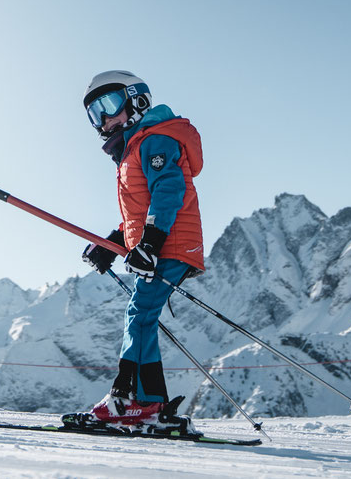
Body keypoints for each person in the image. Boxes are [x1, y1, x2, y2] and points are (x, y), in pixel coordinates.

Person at [78, 70, 205, 433]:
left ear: (137, 100)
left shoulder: (155, 140)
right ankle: (148, 404)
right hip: (161, 243)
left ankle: (128, 400)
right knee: (142, 315)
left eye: (109, 104)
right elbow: (139, 213)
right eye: (94, 113)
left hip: (170, 245)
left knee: (139, 314)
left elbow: (168, 192)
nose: (103, 119)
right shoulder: (134, 149)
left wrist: (149, 245)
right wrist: (113, 245)